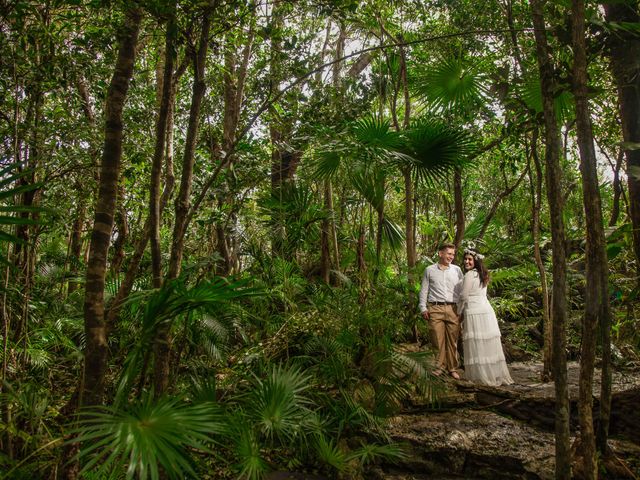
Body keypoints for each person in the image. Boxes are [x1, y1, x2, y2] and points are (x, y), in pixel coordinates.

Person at [457, 248, 513, 386]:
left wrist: (458, 312)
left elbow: (464, 296)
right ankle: (492, 374)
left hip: (475, 312)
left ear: (475, 261)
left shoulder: (470, 275)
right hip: (486, 311)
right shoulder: (483, 274)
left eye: (470, 259)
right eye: (465, 259)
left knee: (478, 344)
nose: (466, 261)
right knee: (486, 344)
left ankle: (481, 377)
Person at [418, 243, 464, 379]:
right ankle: (439, 367)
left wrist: (462, 309)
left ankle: (452, 368)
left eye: (453, 254)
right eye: (449, 253)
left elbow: (462, 291)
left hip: (453, 308)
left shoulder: (457, 270)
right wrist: (423, 307)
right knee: (437, 340)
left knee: (452, 341)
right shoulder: (429, 270)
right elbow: (424, 290)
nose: (451, 256)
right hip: (435, 308)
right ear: (440, 254)